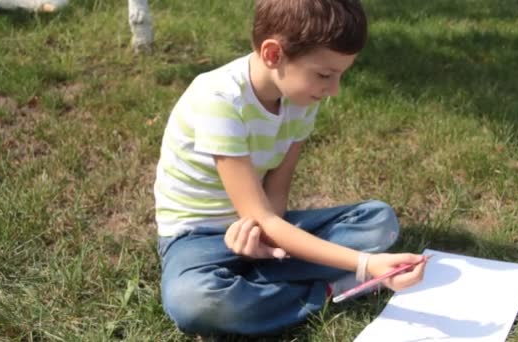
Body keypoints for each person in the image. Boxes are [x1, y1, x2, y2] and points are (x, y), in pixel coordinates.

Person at [154, 0, 428, 337]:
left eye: (340, 75)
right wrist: (364, 265)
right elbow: (260, 214)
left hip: (260, 223)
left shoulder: (298, 100)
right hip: (197, 238)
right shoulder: (220, 100)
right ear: (273, 55)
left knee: (378, 220)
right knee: (195, 301)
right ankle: (328, 289)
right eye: (325, 75)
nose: (334, 91)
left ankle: (261, 282)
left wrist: (266, 241)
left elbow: (275, 197)